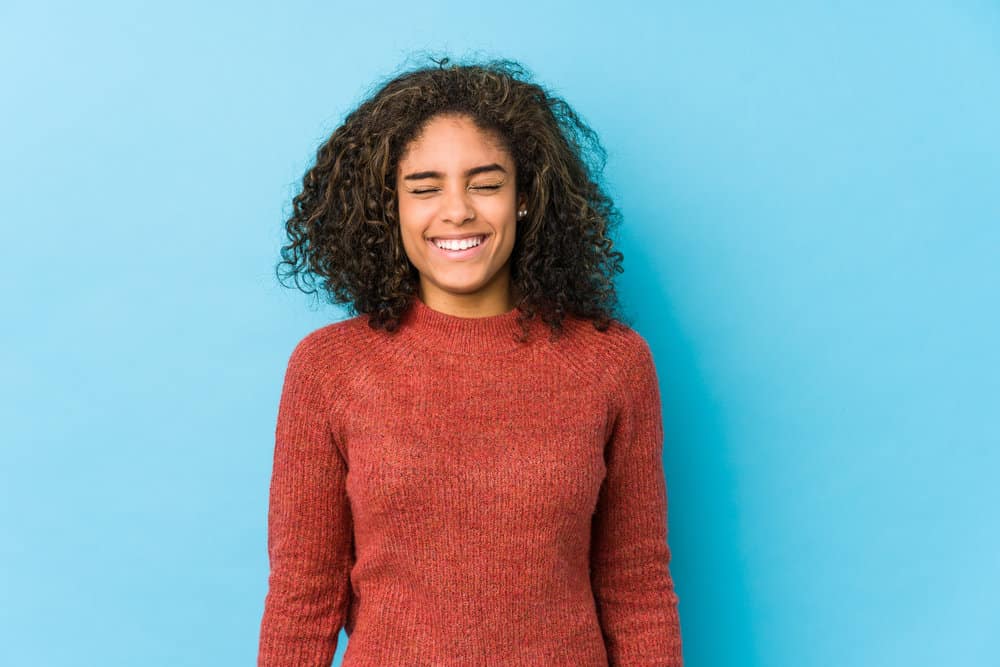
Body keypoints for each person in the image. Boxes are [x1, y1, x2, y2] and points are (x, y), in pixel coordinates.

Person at [257, 55, 684, 666]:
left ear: (525, 199)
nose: (456, 210)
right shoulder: (329, 368)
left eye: (485, 184)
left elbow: (636, 590)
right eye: (424, 188)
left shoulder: (612, 363)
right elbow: (304, 599)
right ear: (390, 209)